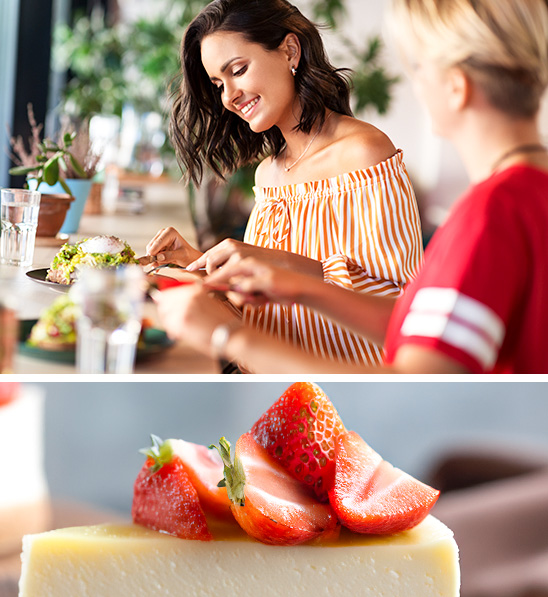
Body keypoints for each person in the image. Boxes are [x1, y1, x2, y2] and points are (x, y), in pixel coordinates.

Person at [154, 0, 548, 373]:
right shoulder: (520, 197)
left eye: (417, 66)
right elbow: (412, 326)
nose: (228, 97)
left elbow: (417, 375)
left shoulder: (488, 215)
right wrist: (260, 277)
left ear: (456, 86)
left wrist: (231, 335)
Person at [146, 0, 421, 367]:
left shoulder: (364, 153)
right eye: (217, 84)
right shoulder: (268, 174)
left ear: (290, 51)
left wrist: (277, 263)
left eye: (239, 70)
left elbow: (405, 312)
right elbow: (269, 318)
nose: (228, 97)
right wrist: (202, 267)